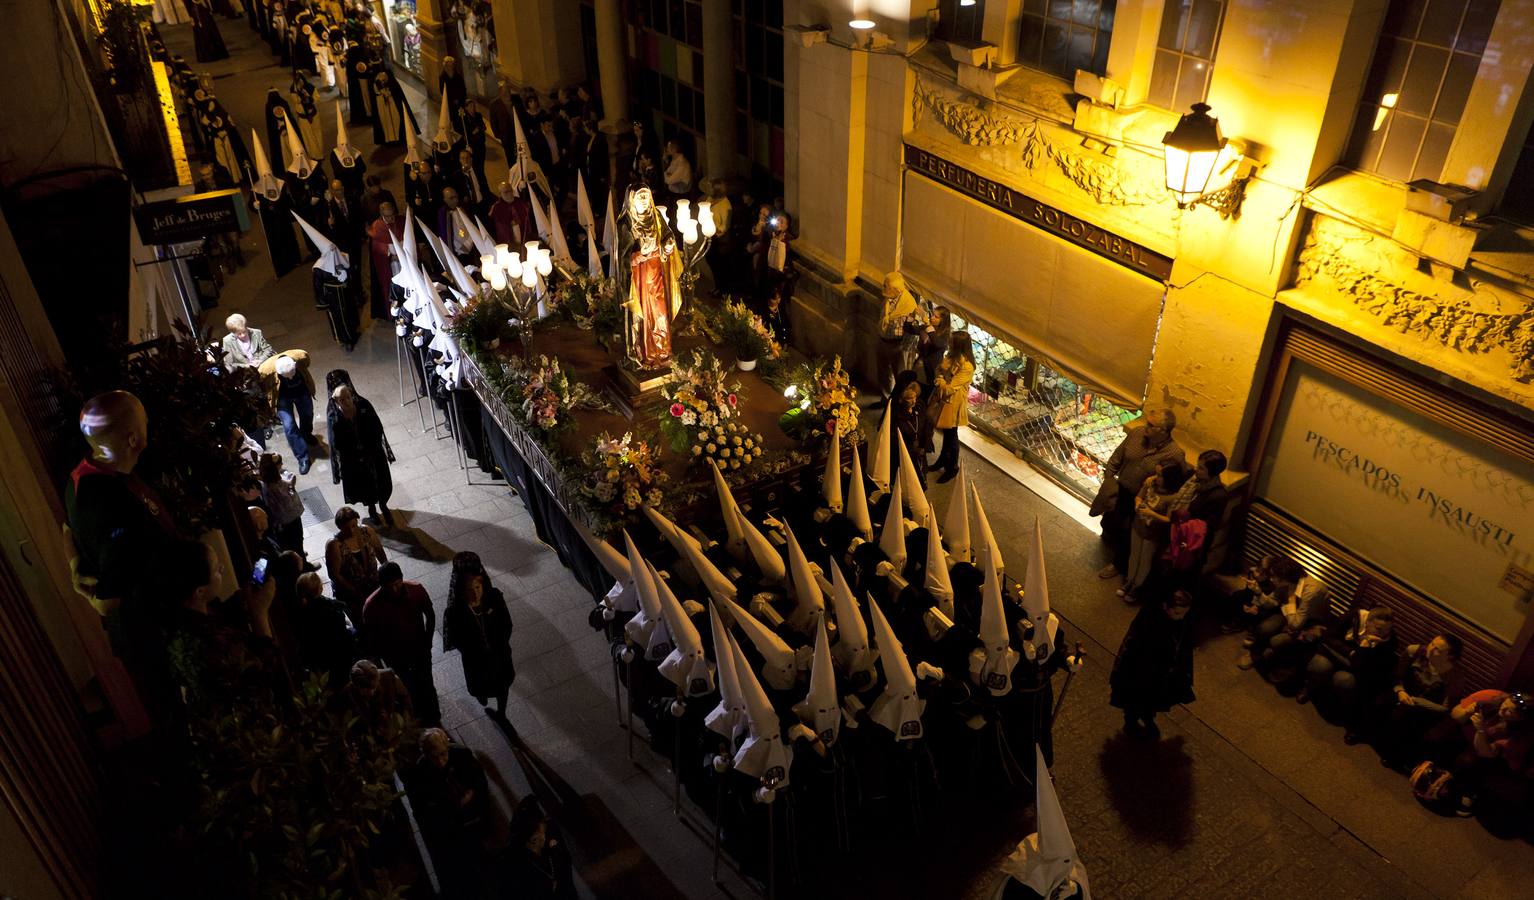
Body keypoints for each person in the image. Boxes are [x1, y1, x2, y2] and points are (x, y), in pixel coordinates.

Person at [1092, 409, 1183, 580]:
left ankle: (1118, 564)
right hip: (1121, 490)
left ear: (1163, 431)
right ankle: (1111, 549)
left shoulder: (1174, 454)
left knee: (1129, 533)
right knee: (1111, 522)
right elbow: (1117, 457)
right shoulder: (1136, 434)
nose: (1145, 426)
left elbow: (1175, 481)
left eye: (1151, 425)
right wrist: (1109, 480)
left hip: (1143, 500)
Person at [407, 729, 492, 896]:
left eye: (442, 755)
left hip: (473, 816)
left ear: (447, 745)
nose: (439, 762)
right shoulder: (420, 773)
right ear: (425, 754)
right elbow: (422, 809)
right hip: (451, 826)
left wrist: (474, 798)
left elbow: (480, 783)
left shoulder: (462, 755)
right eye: (434, 757)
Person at [1109, 589, 1196, 738]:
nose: (1181, 617)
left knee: (1153, 698)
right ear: (1165, 606)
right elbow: (1133, 646)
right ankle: (1131, 721)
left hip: (1160, 672)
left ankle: (1147, 715)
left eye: (1184, 614)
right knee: (1135, 699)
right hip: (1141, 671)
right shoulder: (1149, 621)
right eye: (1177, 613)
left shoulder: (1178, 623)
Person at [363, 562, 440, 725]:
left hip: (419, 648)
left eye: (397, 584)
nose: (394, 590)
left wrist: (428, 640)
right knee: (408, 685)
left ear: (402, 579)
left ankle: (434, 717)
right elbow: (372, 638)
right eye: (388, 586)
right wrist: (380, 659)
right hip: (396, 655)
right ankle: (417, 718)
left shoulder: (416, 590)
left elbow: (430, 615)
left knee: (426, 681)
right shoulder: (371, 606)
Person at [442, 552, 516, 718]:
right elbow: (456, 638)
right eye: (469, 589)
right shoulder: (454, 612)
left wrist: (498, 644)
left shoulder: (494, 598)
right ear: (461, 590)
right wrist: (476, 650)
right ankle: (481, 696)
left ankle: (502, 713)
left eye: (477, 588)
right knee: (479, 686)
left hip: (499, 656)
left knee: (502, 687)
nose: (475, 594)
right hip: (476, 661)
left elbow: (507, 624)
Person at [1371, 633, 1464, 760]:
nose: (1430, 649)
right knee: (1381, 701)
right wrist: (1400, 691)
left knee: (1408, 719)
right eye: (1432, 644)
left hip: (1426, 707)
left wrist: (1416, 701)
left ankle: (1394, 754)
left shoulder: (1455, 677)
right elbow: (1397, 676)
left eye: (1437, 649)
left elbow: (1445, 708)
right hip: (1403, 692)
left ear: (1450, 656)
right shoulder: (1415, 651)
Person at [1299, 606, 1397, 722]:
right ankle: (1311, 688)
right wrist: (1350, 652)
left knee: (1344, 680)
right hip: (1333, 655)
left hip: (1352, 669)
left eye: (1387, 630)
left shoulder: (1390, 642)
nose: (1383, 634)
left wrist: (1364, 647)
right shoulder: (1355, 618)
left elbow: (1363, 666)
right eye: (1378, 629)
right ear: (1367, 622)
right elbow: (1329, 636)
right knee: (1320, 665)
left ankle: (1339, 707)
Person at [1239, 558, 1329, 673]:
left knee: (1278, 641)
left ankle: (1283, 664)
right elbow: (1271, 603)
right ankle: (1255, 654)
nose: (1271, 579)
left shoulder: (1312, 591)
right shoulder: (1286, 583)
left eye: (1274, 576)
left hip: (1309, 624)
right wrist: (1258, 592)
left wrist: (1291, 600)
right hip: (1289, 615)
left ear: (1285, 577)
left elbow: (1295, 625)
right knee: (1264, 628)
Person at [1121, 459, 1188, 604]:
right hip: (1138, 525)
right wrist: (1138, 504)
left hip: (1153, 533)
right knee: (1134, 555)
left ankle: (1137, 587)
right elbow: (1139, 496)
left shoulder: (1173, 497)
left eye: (1160, 475)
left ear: (1170, 478)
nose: (1155, 477)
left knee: (1145, 560)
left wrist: (1151, 514)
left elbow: (1169, 519)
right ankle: (1129, 580)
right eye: (1156, 474)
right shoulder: (1150, 484)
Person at [328, 382, 396, 524]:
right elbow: (337, 443)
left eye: (348, 397)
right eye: (342, 399)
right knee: (365, 486)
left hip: (373, 452)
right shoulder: (335, 418)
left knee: (382, 481)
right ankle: (372, 510)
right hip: (354, 460)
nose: (346, 401)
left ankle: (384, 505)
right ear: (337, 401)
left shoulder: (363, 406)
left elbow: (377, 427)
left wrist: (370, 445)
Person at [497, 797, 574, 900]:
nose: (544, 836)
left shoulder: (551, 833)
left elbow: (565, 864)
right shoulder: (515, 865)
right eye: (540, 834)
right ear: (532, 839)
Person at [258, 350, 319, 475]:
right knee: (289, 426)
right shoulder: (265, 370)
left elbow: (307, 361)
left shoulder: (301, 356)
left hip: (301, 391)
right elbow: (261, 384)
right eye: (287, 376)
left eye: (292, 374)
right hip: (282, 397)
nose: (290, 377)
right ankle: (303, 457)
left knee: (307, 414)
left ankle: (306, 434)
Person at [325, 505, 387, 625]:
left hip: (373, 583)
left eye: (354, 525)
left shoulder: (366, 531)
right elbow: (334, 575)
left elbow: (379, 550)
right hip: (352, 592)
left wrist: (386, 571)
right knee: (361, 621)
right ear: (340, 527)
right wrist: (353, 590)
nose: (352, 531)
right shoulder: (335, 545)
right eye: (347, 528)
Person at [294, 571, 357, 687]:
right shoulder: (334, 609)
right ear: (320, 589)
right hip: (340, 657)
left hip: (318, 663)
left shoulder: (298, 615)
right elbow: (343, 634)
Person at [930, 331, 975, 483]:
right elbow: (938, 371)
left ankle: (952, 467)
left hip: (953, 404)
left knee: (952, 435)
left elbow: (950, 388)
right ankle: (943, 460)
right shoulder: (951, 358)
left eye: (952, 342)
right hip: (944, 400)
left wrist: (941, 379)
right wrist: (941, 378)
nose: (949, 343)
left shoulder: (967, 366)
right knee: (947, 434)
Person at [876, 271, 922, 396]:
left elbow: (912, 331)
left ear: (895, 290)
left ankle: (898, 403)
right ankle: (885, 400)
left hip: (897, 346)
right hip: (883, 340)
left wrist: (904, 350)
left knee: (900, 377)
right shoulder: (888, 298)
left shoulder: (908, 305)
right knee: (883, 373)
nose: (883, 287)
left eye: (886, 286)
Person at [258, 452, 306, 556]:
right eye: (280, 463)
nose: (282, 464)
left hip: (283, 521)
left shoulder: (268, 482)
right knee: (296, 540)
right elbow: (288, 502)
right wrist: (291, 485)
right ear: (274, 468)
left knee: (294, 542)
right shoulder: (274, 487)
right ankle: (303, 563)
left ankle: (300, 553)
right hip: (289, 520)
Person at [366, 200, 406, 320]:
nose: (390, 219)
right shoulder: (378, 226)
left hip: (404, 261)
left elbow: (407, 236)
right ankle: (394, 311)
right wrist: (389, 254)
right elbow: (377, 248)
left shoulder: (400, 221)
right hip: (390, 265)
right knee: (391, 288)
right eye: (386, 216)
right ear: (381, 214)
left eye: (391, 215)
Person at [890, 378, 929, 488]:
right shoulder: (898, 416)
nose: (913, 401)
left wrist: (924, 446)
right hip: (906, 450)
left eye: (914, 398)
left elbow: (926, 426)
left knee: (921, 476)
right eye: (910, 398)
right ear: (902, 400)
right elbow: (896, 438)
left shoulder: (919, 410)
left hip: (919, 449)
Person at [488, 180, 534, 246]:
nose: (509, 193)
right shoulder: (496, 207)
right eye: (506, 192)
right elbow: (493, 225)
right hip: (507, 240)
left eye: (510, 190)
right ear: (500, 194)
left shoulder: (520, 202)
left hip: (524, 236)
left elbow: (528, 217)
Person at [454, 146, 491, 217]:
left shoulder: (478, 171)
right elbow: (457, 193)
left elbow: (485, 187)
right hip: (469, 208)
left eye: (467, 158)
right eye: (462, 158)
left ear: (471, 159)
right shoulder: (457, 176)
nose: (465, 160)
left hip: (482, 205)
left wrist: (488, 203)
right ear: (459, 160)